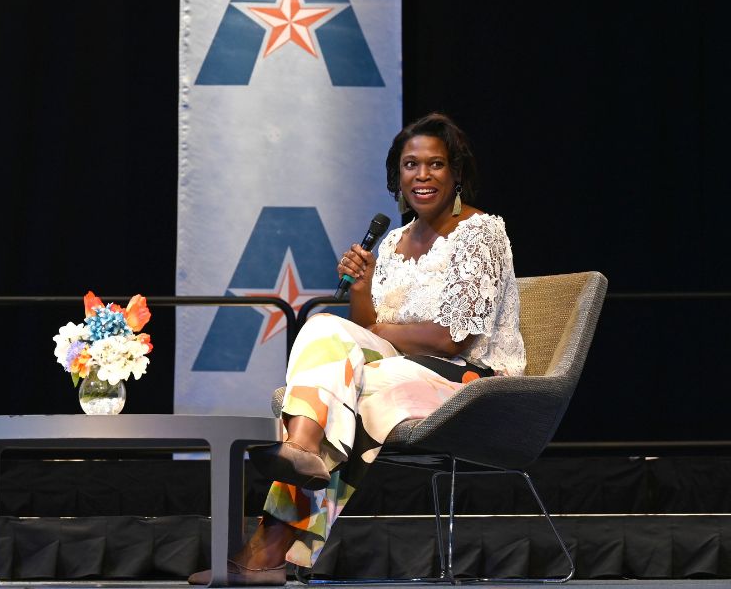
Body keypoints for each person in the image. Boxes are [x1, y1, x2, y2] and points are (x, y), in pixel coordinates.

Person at [191, 112, 525, 585]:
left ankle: (267, 549)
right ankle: (300, 452)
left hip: (469, 381)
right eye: (411, 165)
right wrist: (362, 286)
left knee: (358, 389)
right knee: (327, 328)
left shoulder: (481, 232)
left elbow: (454, 337)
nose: (423, 176)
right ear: (397, 175)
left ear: (457, 174)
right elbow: (364, 326)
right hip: (405, 373)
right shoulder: (392, 243)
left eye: (436, 164)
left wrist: (379, 332)